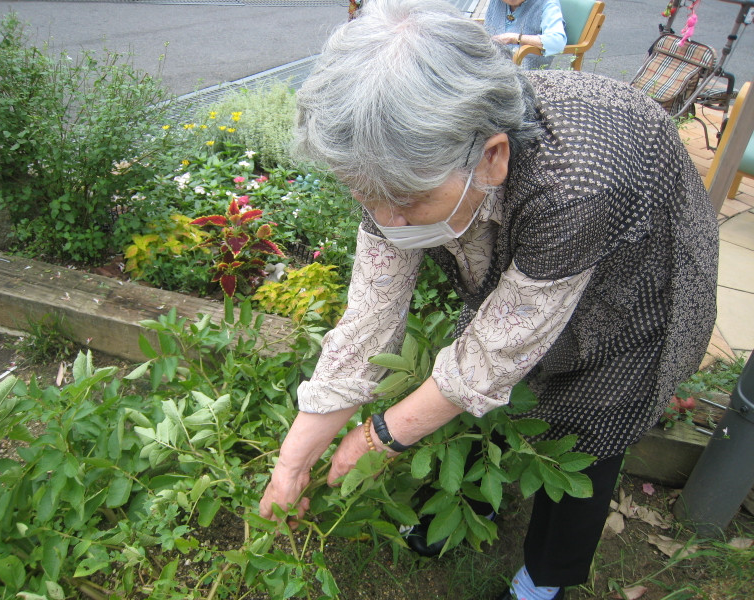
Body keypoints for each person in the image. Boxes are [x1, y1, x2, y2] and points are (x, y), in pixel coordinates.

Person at [259, 1, 719, 599]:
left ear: (494, 156)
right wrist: (292, 463)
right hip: (538, 226)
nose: (386, 220)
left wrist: (380, 436)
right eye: (367, 196)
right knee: (503, 386)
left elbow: (494, 353)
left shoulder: (574, 182)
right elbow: (369, 321)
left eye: (404, 200)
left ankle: (541, 581)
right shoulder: (400, 165)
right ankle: (469, 503)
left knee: (593, 416)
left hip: (636, 270)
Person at [484, 0, 567, 69]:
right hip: (492, 65)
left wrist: (515, 38)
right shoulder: (496, 2)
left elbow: (557, 42)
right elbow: (487, 31)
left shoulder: (547, 3)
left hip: (524, 72)